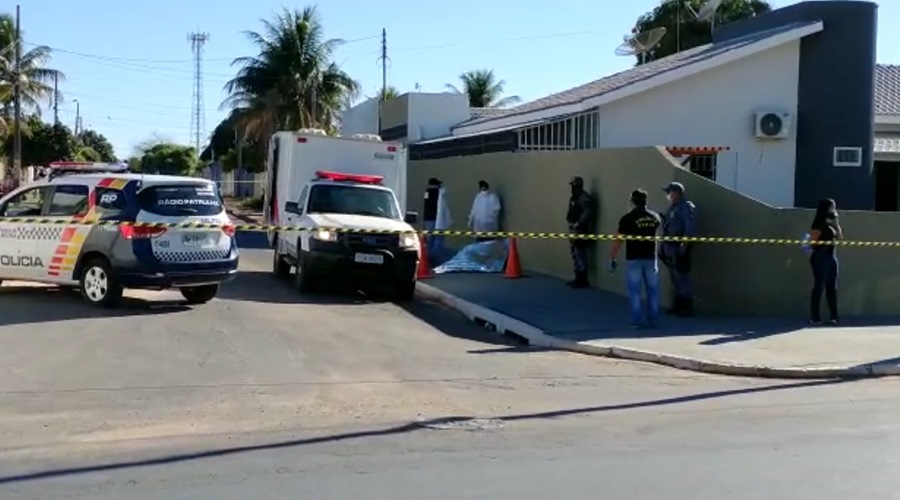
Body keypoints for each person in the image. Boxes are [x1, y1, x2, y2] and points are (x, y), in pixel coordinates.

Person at [607, 189, 662, 328]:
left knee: (635, 291)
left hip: (634, 259)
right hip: (650, 258)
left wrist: (612, 257)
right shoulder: (655, 217)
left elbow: (619, 240)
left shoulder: (627, 218)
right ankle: (653, 319)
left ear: (632, 201)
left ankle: (637, 321)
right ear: (646, 201)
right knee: (653, 290)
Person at [660, 181, 697, 316]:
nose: (668, 195)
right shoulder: (672, 208)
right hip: (669, 247)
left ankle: (687, 307)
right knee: (674, 278)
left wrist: (684, 245)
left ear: (677, 193)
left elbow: (689, 228)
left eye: (670, 192)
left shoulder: (686, 207)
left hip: (679, 247)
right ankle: (678, 305)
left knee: (682, 277)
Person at [808, 198, 842, 325]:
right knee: (819, 285)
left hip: (831, 255)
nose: (834, 210)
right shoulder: (818, 224)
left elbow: (840, 238)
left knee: (832, 287)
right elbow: (812, 243)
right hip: (820, 256)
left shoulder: (831, 224)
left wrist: (836, 223)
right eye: (832, 207)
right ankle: (814, 316)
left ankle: (834, 316)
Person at [566, 176, 594, 288]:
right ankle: (577, 277)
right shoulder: (573, 197)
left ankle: (582, 279)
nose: (572, 187)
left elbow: (587, 212)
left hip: (581, 229)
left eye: (573, 185)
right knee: (574, 252)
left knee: (580, 252)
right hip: (572, 227)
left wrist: (579, 223)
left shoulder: (584, 198)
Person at [422, 178, 442, 258]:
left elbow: (426, 204)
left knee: (429, 239)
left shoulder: (427, 192)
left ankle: (428, 256)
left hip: (427, 218)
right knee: (436, 239)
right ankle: (434, 257)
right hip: (436, 218)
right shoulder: (437, 193)